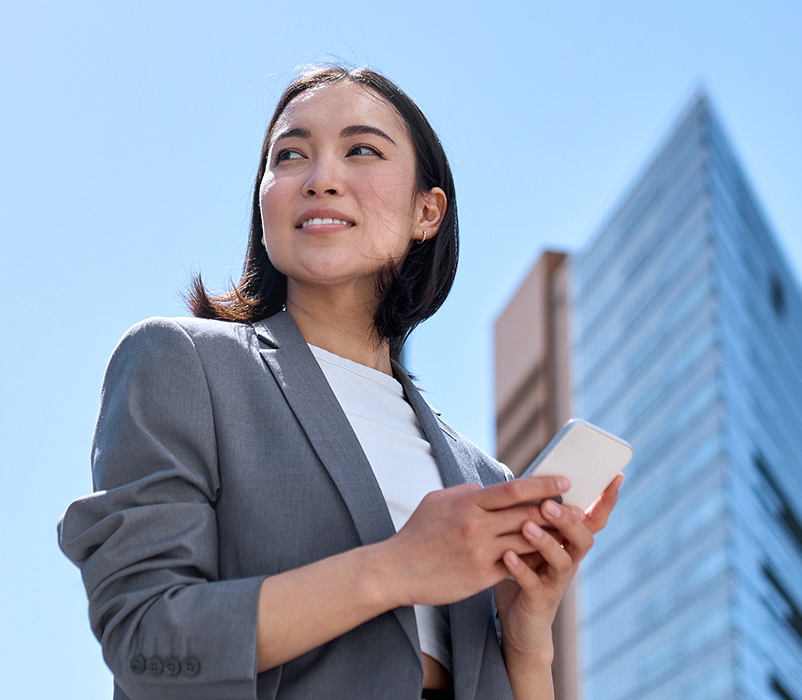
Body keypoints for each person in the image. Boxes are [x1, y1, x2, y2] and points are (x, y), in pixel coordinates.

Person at [57, 65, 623, 700]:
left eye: (361, 150)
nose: (321, 178)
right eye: (290, 155)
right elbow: (149, 647)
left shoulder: (486, 481)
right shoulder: (183, 363)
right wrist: (395, 570)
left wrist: (526, 640)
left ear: (426, 212)